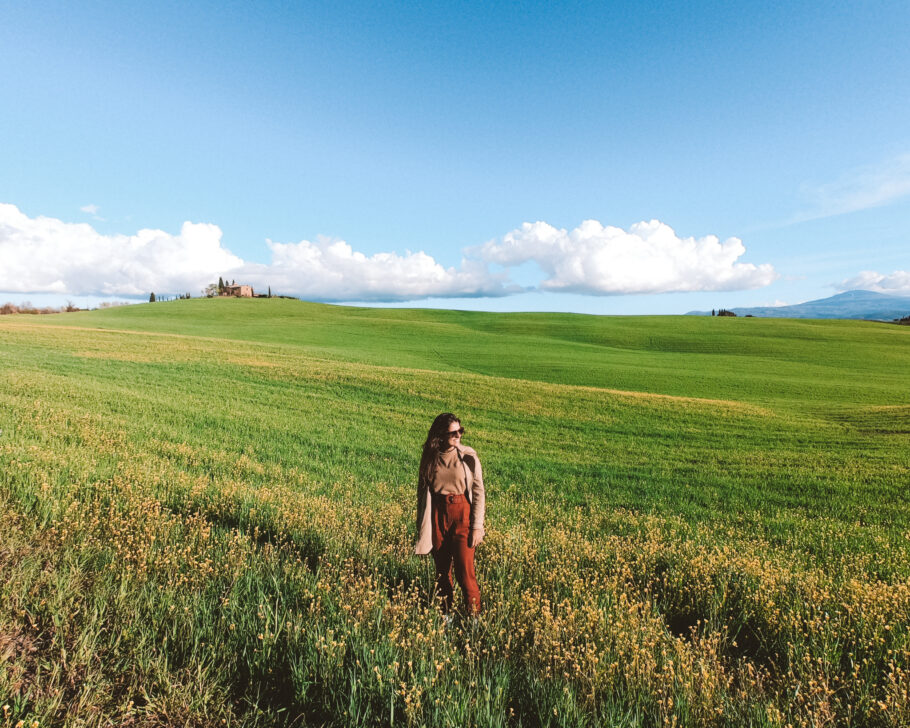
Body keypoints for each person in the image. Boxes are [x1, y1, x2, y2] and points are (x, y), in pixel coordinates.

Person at [415, 412, 485, 616]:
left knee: (465, 574)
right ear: (440, 435)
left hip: (462, 514)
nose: (458, 436)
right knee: (442, 573)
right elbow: (422, 492)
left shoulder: (468, 456)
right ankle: (445, 617)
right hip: (437, 514)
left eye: (460, 431)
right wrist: (422, 525)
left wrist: (477, 526)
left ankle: (474, 620)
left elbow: (479, 491)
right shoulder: (430, 457)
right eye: (453, 432)